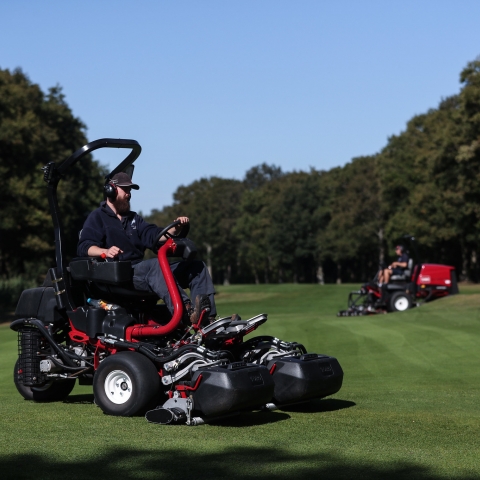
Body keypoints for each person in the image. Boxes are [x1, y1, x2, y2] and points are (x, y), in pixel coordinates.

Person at [77, 172, 217, 324]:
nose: (129, 194)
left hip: (143, 273)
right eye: (126, 190)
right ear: (111, 190)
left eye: (130, 190)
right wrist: (105, 251)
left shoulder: (134, 219)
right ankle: (187, 311)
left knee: (196, 267)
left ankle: (208, 318)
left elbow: (154, 235)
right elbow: (85, 247)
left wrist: (175, 228)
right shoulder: (97, 217)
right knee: (156, 265)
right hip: (120, 275)